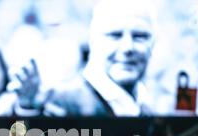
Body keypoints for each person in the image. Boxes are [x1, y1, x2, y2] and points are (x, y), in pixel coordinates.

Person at [14, 0, 156, 117]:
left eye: (140, 36)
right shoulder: (59, 102)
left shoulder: (153, 105)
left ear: (153, 42)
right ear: (92, 41)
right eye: (115, 35)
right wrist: (29, 111)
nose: (127, 47)